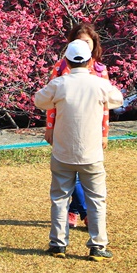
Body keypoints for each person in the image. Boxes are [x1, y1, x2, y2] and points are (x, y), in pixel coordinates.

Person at [35, 39, 123, 261]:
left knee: (59, 198)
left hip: (63, 151)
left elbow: (40, 101)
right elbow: (117, 100)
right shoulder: (99, 84)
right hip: (91, 153)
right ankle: (97, 246)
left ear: (66, 61)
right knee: (97, 199)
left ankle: (58, 244)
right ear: (90, 60)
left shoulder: (59, 84)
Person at [45, 23, 109, 229]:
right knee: (70, 171)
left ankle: (76, 210)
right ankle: (82, 211)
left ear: (94, 45)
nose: (83, 45)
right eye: (78, 42)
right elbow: (49, 102)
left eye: (87, 42)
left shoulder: (99, 70)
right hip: (65, 128)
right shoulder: (61, 68)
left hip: (90, 131)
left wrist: (105, 133)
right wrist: (50, 127)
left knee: (83, 172)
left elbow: (107, 105)